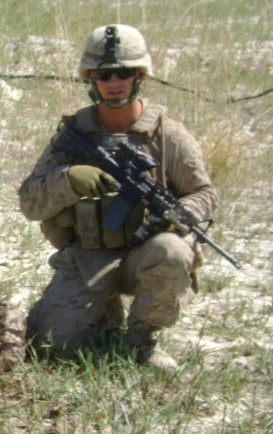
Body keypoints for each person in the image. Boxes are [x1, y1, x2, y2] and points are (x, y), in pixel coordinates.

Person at [18, 24, 217, 371]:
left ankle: (141, 339)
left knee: (173, 251)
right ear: (91, 78)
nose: (114, 82)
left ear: (140, 75)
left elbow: (204, 193)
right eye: (104, 74)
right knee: (49, 347)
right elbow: (30, 203)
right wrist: (68, 181)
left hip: (145, 255)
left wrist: (179, 212)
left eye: (124, 72)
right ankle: (105, 315)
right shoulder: (75, 134)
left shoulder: (166, 134)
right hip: (87, 259)